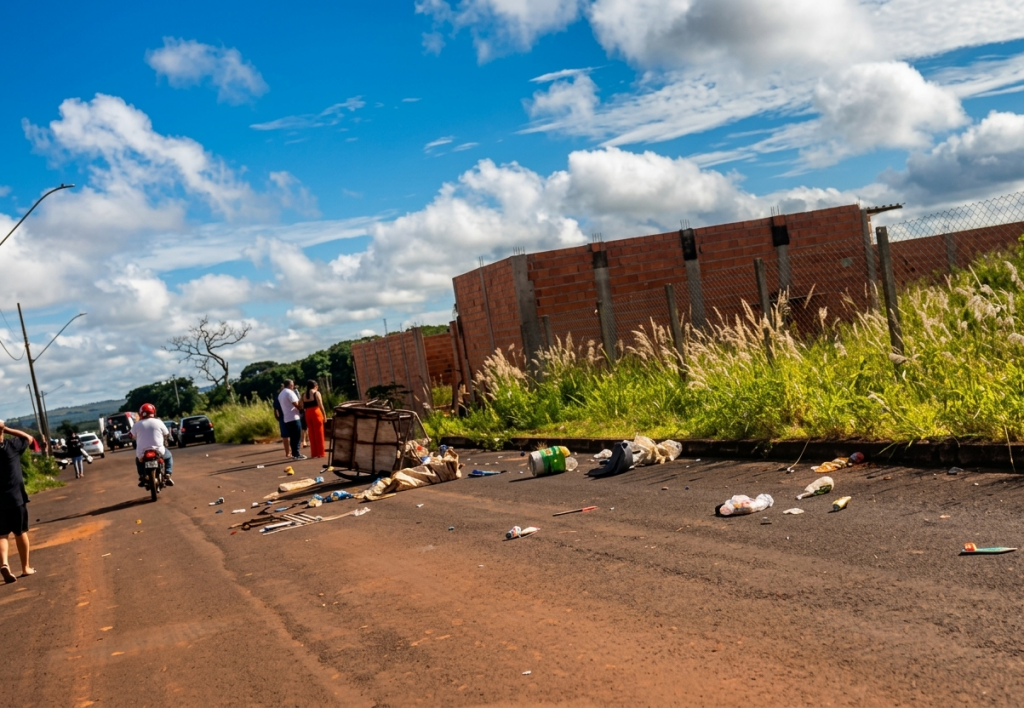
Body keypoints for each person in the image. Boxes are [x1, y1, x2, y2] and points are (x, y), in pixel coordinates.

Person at [0, 420, 36, 583]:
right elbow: (29, 438)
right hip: (15, 498)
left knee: (1, 535)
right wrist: (6, 429)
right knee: (20, 532)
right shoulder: (12, 446)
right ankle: (25, 567)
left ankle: (5, 564)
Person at [129, 403, 174, 487]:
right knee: (168, 456)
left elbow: (131, 435)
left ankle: (142, 476)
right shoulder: (159, 422)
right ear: (153, 412)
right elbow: (166, 433)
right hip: (159, 450)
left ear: (141, 413)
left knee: (138, 461)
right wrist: (168, 437)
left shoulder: (136, 425)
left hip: (142, 452)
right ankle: (168, 473)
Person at [277, 380, 305, 461]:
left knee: (293, 437)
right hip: (294, 417)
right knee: (296, 436)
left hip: (287, 418)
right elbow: (297, 405)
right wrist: (301, 401)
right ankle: (296, 454)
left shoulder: (281, 394)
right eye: (293, 385)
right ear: (290, 385)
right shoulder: (290, 393)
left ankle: (294, 453)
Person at [301, 380, 328, 459]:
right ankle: (320, 452)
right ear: (315, 385)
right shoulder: (317, 393)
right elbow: (320, 405)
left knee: (311, 433)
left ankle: (314, 453)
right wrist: (324, 415)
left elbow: (301, 405)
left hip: (308, 413)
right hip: (316, 412)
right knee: (319, 432)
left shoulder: (303, 394)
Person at [273, 383, 290, 459]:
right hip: (286, 416)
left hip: (283, 417)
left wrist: (277, 417)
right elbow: (275, 409)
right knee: (287, 435)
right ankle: (289, 452)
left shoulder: (278, 397)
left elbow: (275, 409)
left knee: (285, 435)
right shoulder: (286, 395)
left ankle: (288, 452)